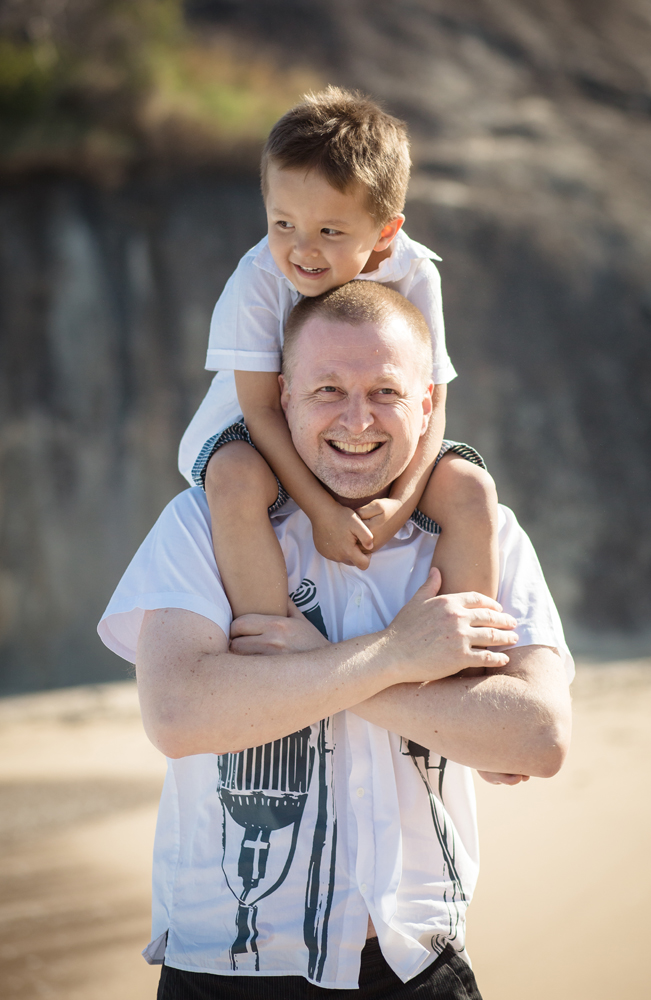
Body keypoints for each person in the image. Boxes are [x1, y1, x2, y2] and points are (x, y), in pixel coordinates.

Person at [99, 282, 573, 999]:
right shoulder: (203, 522)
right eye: (326, 389)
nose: (357, 418)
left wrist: (316, 669)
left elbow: (536, 739)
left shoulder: (483, 529)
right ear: (281, 396)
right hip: (225, 969)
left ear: (425, 404)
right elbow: (180, 714)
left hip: (418, 964)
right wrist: (396, 657)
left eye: (384, 390)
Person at [177, 86, 499, 623]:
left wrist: (402, 503)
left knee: (471, 488)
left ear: (384, 232)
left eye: (330, 230)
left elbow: (431, 399)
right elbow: (259, 409)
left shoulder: (415, 271)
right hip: (266, 438)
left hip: (372, 430)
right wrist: (322, 511)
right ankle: (271, 646)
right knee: (232, 478)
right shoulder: (257, 278)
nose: (302, 249)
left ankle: (456, 654)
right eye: (283, 224)